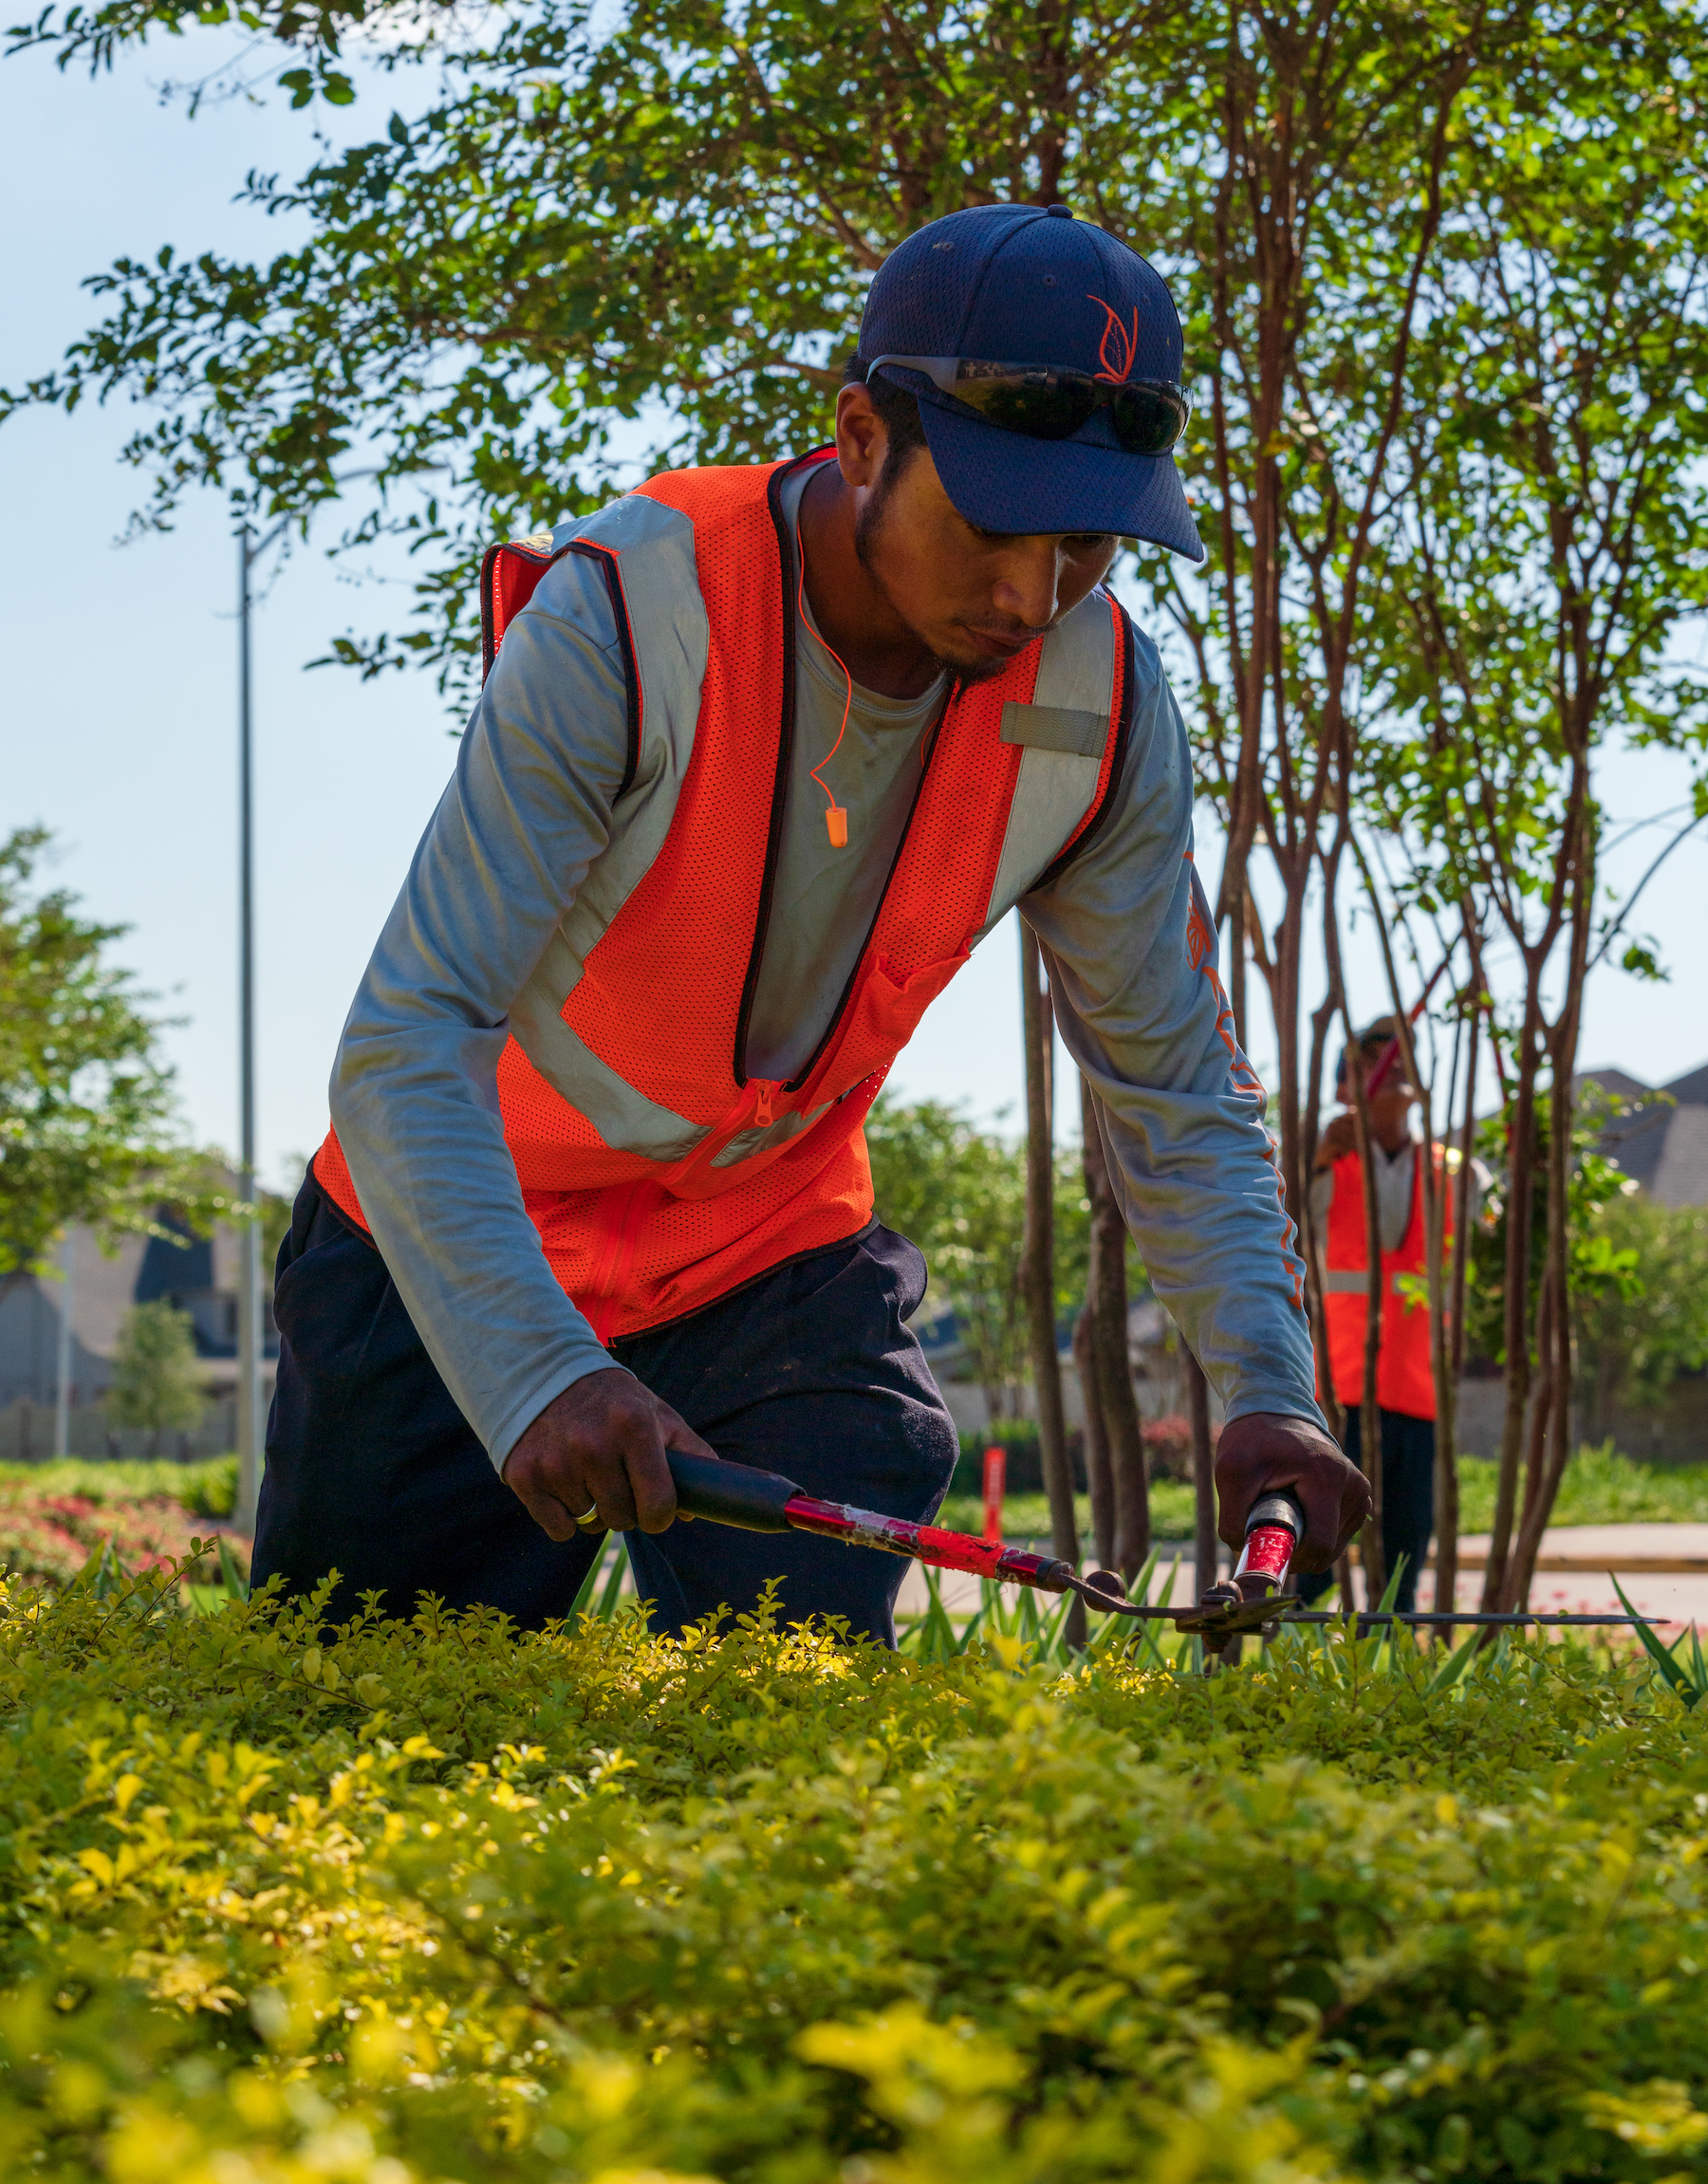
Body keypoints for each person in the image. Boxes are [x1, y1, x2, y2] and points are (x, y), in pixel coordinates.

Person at [251, 201, 1370, 1643]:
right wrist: (536, 1370)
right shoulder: (627, 615)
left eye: (1089, 542)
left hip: (767, 1257)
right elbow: (408, 1040)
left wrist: (1270, 1388)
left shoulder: (1103, 713)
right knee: (365, 1715)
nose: (1036, 593)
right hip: (458, 1250)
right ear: (858, 436)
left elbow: (1173, 1085)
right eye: (996, 520)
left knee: (795, 1711)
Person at [1305, 1017, 1473, 1614]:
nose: (1391, 1062)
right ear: (1345, 1088)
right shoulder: (1322, 1167)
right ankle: (1284, 1673)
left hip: (1420, 1398)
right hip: (1337, 1399)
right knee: (1310, 1566)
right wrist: (1312, 1160)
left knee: (1400, 1570)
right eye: (1372, 1057)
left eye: (1401, 1054)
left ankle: (1383, 1684)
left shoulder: (1457, 1172)